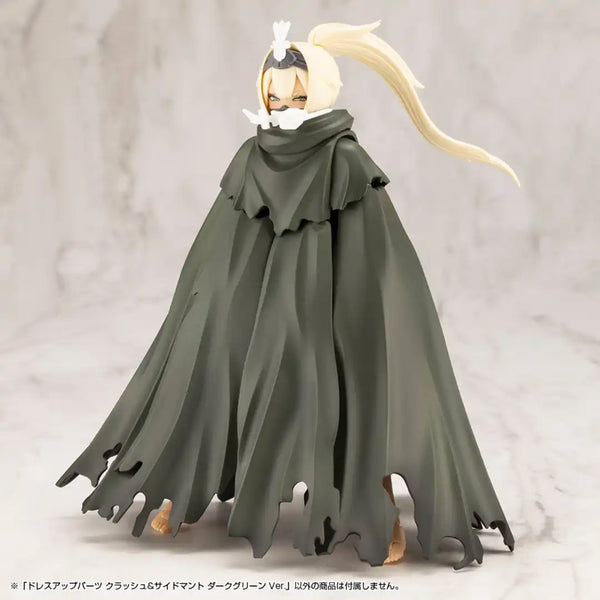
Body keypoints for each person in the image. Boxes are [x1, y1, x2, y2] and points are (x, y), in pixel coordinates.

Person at [56, 20, 516, 570]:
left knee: (355, 381)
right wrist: (208, 304)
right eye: (275, 96)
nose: (284, 106)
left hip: (330, 301)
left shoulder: (343, 160)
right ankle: (182, 480)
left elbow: (378, 255)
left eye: (298, 96)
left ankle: (374, 508)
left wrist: (363, 314)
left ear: (319, 93)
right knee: (210, 355)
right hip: (259, 299)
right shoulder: (253, 155)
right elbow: (223, 243)